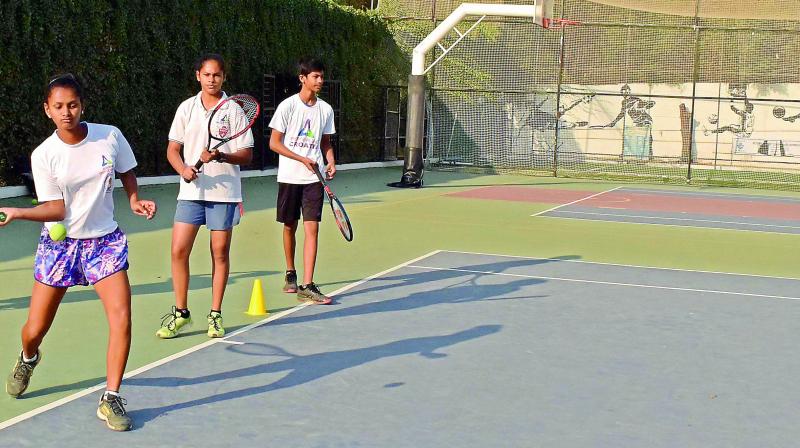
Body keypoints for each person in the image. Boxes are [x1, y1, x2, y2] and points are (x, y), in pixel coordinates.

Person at [0, 74, 157, 432]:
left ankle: (112, 396)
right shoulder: (45, 155)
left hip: (104, 243)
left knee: (121, 317)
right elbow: (55, 209)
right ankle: (28, 358)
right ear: (47, 110)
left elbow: (127, 171)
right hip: (60, 245)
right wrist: (20, 212)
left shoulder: (110, 136)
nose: (66, 112)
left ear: (82, 105)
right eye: (58, 106)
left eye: (72, 104)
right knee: (34, 329)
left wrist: (133, 199)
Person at [157, 54, 254, 339]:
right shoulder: (186, 108)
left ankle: (215, 315)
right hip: (190, 193)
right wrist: (183, 169)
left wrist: (222, 154)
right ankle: (181, 313)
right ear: (197, 75)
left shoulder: (234, 110)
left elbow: (247, 154)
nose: (212, 79)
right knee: (178, 251)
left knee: (219, 253)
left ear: (224, 78)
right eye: (207, 74)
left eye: (217, 75)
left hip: (224, 194)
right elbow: (172, 150)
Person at [268, 58, 336, 304]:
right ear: (302, 78)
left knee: (312, 228)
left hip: (313, 178)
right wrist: (300, 158)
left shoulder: (325, 110)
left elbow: (326, 142)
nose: (320, 81)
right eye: (315, 76)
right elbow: (274, 143)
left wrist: (330, 160)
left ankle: (307, 284)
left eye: (321, 76)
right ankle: (290, 272)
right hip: (289, 176)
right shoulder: (287, 107)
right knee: (289, 226)